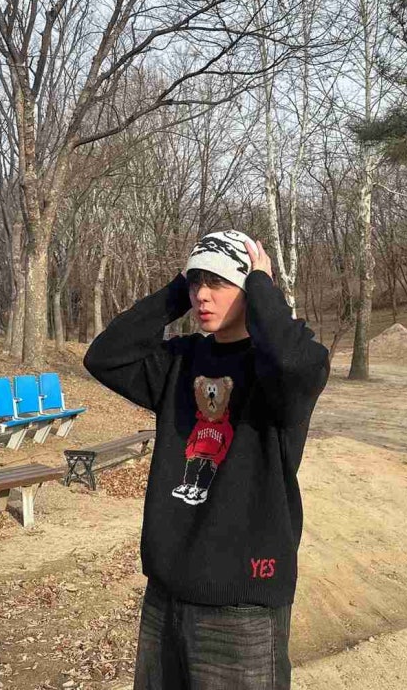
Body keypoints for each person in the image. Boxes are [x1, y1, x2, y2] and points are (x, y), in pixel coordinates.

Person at [83, 229, 330, 690]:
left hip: (241, 603)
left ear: (250, 289)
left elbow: (297, 364)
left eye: (218, 282)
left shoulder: (277, 372)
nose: (202, 294)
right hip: (166, 593)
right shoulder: (180, 360)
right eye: (196, 281)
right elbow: (105, 356)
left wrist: (262, 288)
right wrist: (178, 290)